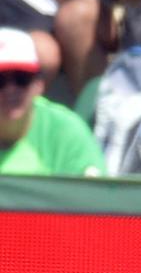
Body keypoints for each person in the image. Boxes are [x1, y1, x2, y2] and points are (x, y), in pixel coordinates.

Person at [0, 28, 106, 176]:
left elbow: (95, 196)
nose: (10, 89)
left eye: (21, 78)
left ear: (38, 84)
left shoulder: (66, 132)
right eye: (0, 80)